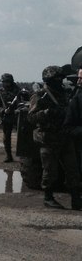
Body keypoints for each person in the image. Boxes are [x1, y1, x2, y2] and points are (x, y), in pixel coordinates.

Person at [27, 65, 81, 210]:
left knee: (73, 170)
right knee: (50, 170)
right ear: (49, 80)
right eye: (56, 79)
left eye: (60, 78)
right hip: (49, 138)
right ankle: (48, 198)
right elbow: (31, 117)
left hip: (65, 136)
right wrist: (47, 113)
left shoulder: (65, 92)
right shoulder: (40, 95)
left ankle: (76, 199)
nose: (59, 81)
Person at [0, 73, 20, 163]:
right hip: (6, 117)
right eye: (4, 82)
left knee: (22, 136)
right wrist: (3, 110)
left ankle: (23, 155)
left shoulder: (18, 91)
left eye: (8, 82)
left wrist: (18, 109)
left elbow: (24, 101)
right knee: (6, 138)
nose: (6, 84)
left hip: (17, 117)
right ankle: (8, 156)